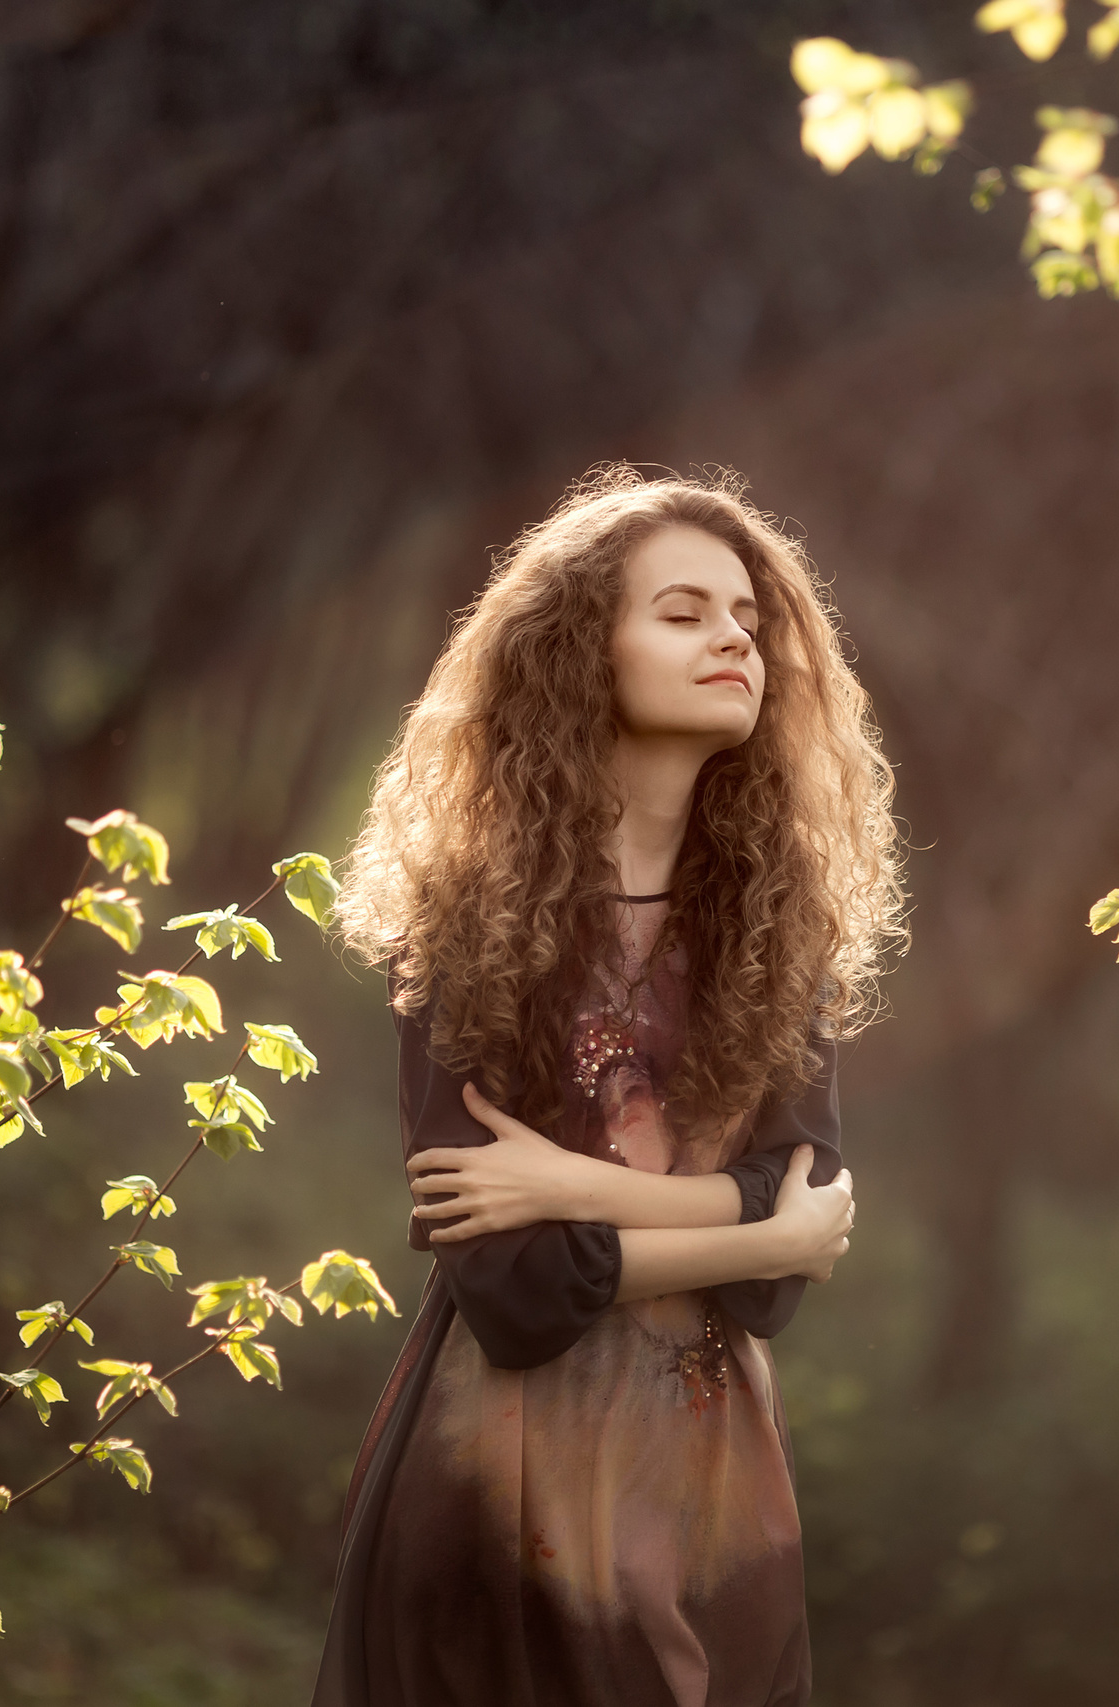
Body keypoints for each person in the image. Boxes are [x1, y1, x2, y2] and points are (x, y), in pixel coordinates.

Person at [313, 467, 905, 1707]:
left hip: (718, 1509)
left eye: (747, 616)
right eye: (682, 613)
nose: (733, 637)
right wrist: (756, 1224)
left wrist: (572, 1183)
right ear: (586, 650)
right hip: (503, 1498)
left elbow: (791, 1265)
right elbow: (516, 1290)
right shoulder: (467, 920)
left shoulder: (773, 925)